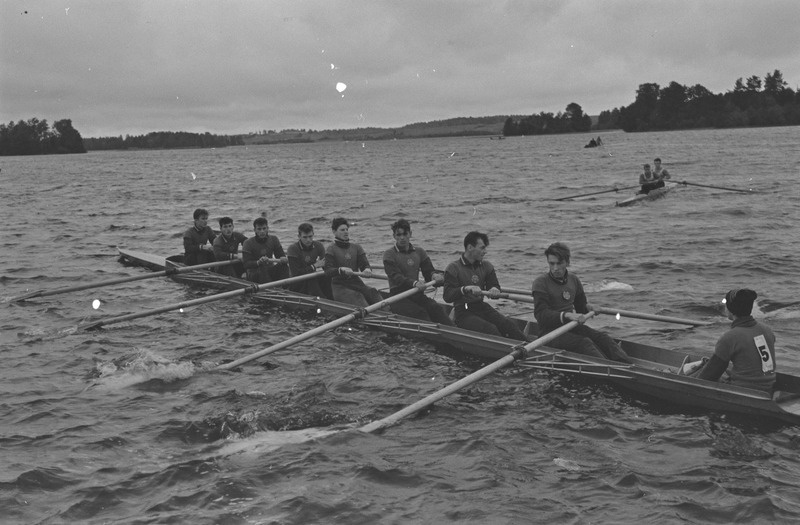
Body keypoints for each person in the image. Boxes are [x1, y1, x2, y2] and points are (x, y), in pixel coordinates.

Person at [531, 242, 632, 363]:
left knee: (603, 338)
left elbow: (581, 308)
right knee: (584, 343)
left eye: (559, 263)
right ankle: (612, 372)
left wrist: (589, 307)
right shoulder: (540, 282)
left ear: (567, 262)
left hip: (571, 328)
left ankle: (629, 367)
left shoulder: (573, 279)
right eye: (551, 263)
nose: (555, 268)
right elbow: (541, 315)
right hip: (549, 334)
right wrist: (567, 315)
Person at [443, 231, 526, 340]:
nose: (485, 252)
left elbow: (494, 285)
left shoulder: (487, 266)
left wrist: (495, 290)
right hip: (463, 311)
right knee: (490, 329)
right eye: (482, 248)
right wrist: (465, 289)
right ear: (470, 247)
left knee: (509, 325)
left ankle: (529, 349)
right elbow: (448, 296)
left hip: (481, 307)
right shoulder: (453, 268)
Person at [698, 288, 776, 393]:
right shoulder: (767, 330)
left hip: (743, 390)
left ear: (730, 309)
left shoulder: (730, 337)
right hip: (768, 387)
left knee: (701, 369)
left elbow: (709, 376)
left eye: (725, 303)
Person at [382, 219, 453, 325]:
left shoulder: (419, 252)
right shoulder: (389, 254)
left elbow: (428, 271)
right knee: (420, 313)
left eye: (405, 234)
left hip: (416, 294)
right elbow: (396, 277)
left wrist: (434, 276)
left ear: (410, 234)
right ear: (394, 236)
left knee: (436, 308)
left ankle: (453, 330)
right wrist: (414, 283)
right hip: (398, 297)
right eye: (398, 235)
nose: (402, 238)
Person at [323, 217, 383, 307]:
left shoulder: (356, 247)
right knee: (358, 297)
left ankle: (389, 314)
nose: (346, 232)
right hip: (339, 286)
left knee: (373, 292)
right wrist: (340, 270)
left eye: (347, 229)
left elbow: (364, 264)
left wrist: (367, 269)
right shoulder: (331, 249)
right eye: (342, 230)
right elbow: (328, 271)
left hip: (356, 283)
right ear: (334, 231)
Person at [286, 222, 332, 299]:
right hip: (297, 282)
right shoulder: (292, 249)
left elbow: (326, 266)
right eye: (305, 237)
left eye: (310, 236)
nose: (308, 240)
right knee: (311, 277)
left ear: (313, 234)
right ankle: (323, 300)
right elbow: (296, 274)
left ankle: (331, 298)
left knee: (327, 276)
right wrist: (314, 266)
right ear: (299, 236)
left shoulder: (318, 245)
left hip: (311, 278)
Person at [241, 217, 289, 284]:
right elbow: (246, 264)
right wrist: (258, 262)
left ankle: (286, 287)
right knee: (262, 267)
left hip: (269, 270)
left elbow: (280, 256)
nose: (262, 231)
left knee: (284, 266)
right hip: (254, 274)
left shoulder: (274, 239)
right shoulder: (247, 243)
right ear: (255, 230)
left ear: (267, 228)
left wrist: (284, 259)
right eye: (259, 229)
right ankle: (270, 289)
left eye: (264, 228)